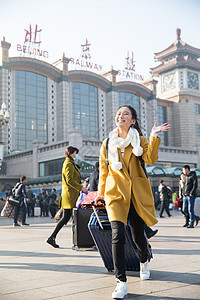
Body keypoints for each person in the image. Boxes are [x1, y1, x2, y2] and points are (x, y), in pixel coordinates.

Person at [95, 105, 170, 299]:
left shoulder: (140, 140)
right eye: (118, 113)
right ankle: (121, 282)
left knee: (138, 236)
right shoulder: (107, 143)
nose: (121, 116)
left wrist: (154, 136)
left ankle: (144, 260)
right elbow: (104, 171)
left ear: (133, 120)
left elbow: (151, 159)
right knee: (117, 235)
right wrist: (100, 194)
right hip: (115, 193)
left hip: (136, 194)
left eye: (125, 114)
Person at [46, 146, 88, 248]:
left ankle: (52, 238)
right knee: (74, 218)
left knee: (65, 218)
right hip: (70, 196)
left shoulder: (71, 163)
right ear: (70, 153)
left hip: (71, 195)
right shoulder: (68, 164)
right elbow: (69, 180)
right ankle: (78, 241)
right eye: (74, 153)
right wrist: (81, 188)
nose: (76, 155)